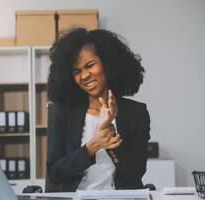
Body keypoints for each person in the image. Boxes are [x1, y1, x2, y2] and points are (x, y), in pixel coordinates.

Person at [46, 28, 150, 192]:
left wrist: (109, 137)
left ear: (108, 63)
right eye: (76, 71)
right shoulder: (64, 113)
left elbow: (135, 173)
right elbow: (55, 172)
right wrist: (92, 146)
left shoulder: (136, 113)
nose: (84, 75)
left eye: (89, 65)